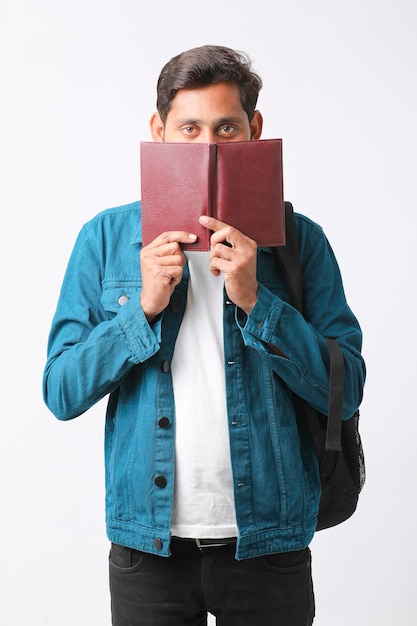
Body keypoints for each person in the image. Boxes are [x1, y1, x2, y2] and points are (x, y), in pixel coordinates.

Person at [43, 45, 365, 626]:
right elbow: (61, 390)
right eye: (188, 128)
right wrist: (140, 310)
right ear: (158, 131)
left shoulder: (299, 241)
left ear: (254, 131)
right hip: (149, 548)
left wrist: (255, 300)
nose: (206, 147)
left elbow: (348, 385)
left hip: (269, 544)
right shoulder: (107, 238)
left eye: (225, 129)